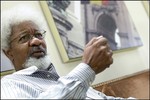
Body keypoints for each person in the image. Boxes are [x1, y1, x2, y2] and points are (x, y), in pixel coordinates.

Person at [1, 5, 134, 99]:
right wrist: (87, 68)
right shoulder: (9, 85)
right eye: (24, 37)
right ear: (9, 53)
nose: (36, 41)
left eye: (39, 35)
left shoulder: (63, 80)